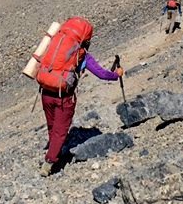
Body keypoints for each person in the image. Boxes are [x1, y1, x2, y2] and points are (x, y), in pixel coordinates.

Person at [39, 18, 123, 177]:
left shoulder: (54, 44)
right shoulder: (81, 55)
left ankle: (55, 149)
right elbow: (101, 74)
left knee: (52, 126)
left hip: (45, 92)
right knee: (60, 130)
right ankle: (49, 163)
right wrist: (116, 75)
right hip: (64, 96)